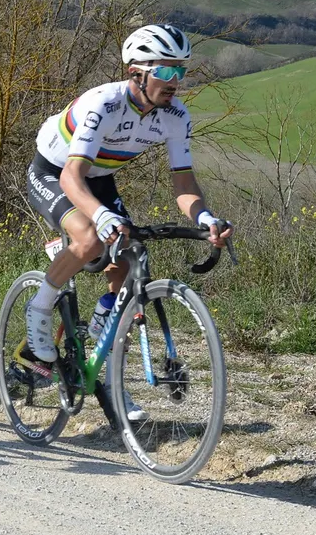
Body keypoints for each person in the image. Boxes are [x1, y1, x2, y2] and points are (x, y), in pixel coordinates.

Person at [23, 24, 235, 421]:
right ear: (137, 70)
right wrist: (101, 215)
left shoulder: (175, 116)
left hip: (99, 177)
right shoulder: (104, 103)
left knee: (128, 254)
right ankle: (39, 308)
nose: (175, 81)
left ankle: (102, 348)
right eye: (167, 72)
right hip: (55, 171)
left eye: (181, 71)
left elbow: (184, 184)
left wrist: (206, 218)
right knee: (89, 238)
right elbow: (71, 178)